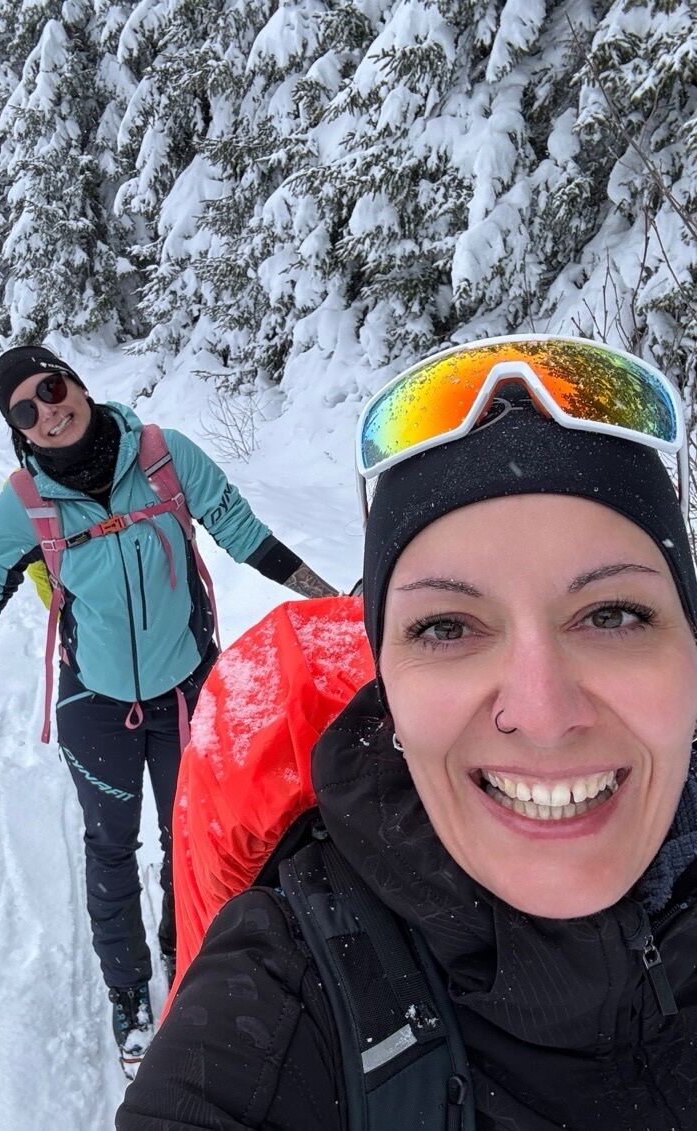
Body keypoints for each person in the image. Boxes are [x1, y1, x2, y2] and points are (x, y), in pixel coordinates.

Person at [117, 335, 697, 1129]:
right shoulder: (282, 998)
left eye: (614, 614)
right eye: (447, 627)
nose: (543, 711)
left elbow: (231, 520)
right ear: (384, 684)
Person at [0, 345, 336, 1070]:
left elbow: (248, 537)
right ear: (16, 429)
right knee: (111, 846)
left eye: (52, 388)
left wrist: (339, 603)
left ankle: (184, 951)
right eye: (26, 410)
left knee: (190, 838)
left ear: (76, 382)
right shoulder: (25, 503)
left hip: (188, 692)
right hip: (95, 704)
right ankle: (127, 990)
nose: (48, 412)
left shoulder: (165, 457)